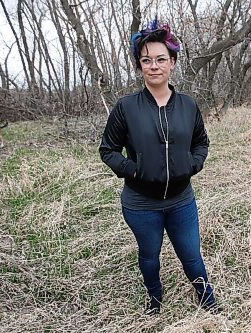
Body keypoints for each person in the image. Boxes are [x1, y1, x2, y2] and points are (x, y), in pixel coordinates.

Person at [99, 18, 219, 315]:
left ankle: (205, 295)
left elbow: (201, 142)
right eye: (146, 60)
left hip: (181, 200)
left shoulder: (188, 105)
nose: (154, 66)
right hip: (140, 204)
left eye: (161, 59)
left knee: (191, 256)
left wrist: (192, 164)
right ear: (139, 66)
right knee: (149, 255)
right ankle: (154, 297)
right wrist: (135, 170)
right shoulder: (126, 107)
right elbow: (108, 150)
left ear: (173, 63)